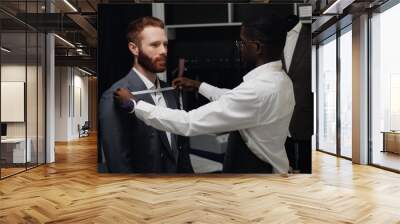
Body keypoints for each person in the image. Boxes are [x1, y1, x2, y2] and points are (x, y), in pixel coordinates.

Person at [114, 15, 295, 174]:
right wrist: (199, 85)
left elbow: (189, 122)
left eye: (242, 42)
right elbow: (237, 99)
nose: (239, 47)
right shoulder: (281, 81)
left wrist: (136, 105)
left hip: (254, 174)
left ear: (256, 47)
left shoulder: (258, 91)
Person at [99, 16, 193, 173]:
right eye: (155, 45)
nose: (163, 51)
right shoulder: (113, 96)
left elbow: (180, 149)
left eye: (165, 44)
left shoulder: (170, 91)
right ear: (134, 48)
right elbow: (119, 164)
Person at [283, 15, 313, 173]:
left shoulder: (311, 36)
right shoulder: (275, 39)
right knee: (284, 168)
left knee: (306, 165)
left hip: (305, 113)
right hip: (279, 113)